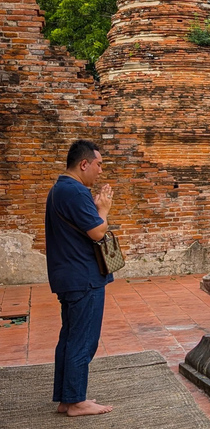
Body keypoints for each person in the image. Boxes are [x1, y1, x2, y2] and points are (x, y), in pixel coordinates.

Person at [45, 140, 114, 417]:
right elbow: (97, 231)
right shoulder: (74, 191)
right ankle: (75, 401)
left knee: (70, 336)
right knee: (83, 339)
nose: (100, 171)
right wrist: (104, 208)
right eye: (98, 165)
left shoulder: (60, 189)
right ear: (83, 164)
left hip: (69, 274)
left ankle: (67, 397)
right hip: (82, 276)